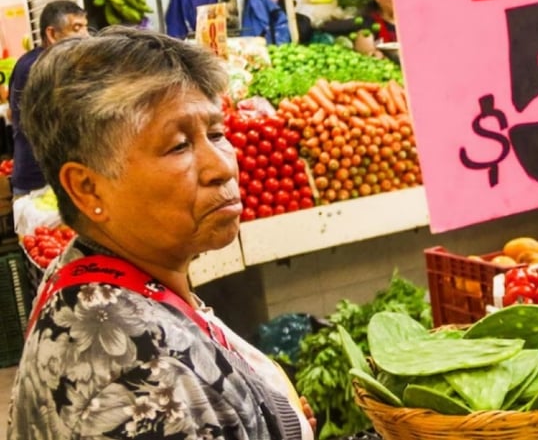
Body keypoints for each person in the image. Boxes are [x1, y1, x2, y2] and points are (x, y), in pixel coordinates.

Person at [6, 27, 316, 439]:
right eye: (178, 146)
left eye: (217, 134)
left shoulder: (97, 274)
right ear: (87, 187)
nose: (222, 167)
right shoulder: (137, 383)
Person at [9, 0, 89, 198]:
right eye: (76, 28)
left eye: (85, 27)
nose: (85, 36)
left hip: (39, 175)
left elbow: (12, 114)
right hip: (41, 183)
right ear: (52, 34)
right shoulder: (42, 68)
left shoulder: (27, 61)